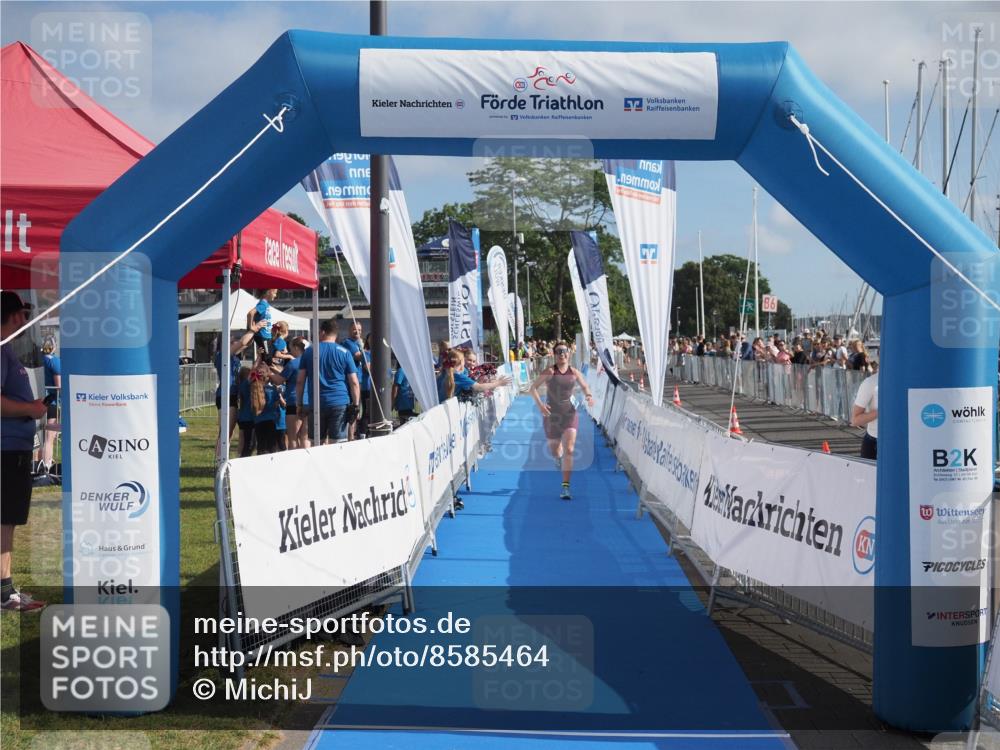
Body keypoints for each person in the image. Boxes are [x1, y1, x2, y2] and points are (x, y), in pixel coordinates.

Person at [1, 291, 48, 611]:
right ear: (15, 317)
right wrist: (30, 409)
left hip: (13, 449)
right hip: (6, 450)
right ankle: (4, 593)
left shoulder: (6, 351)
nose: (26, 320)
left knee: (7, 521)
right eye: (23, 315)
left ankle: (5, 589)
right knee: (5, 521)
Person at [529, 341, 594, 500]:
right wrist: (541, 406)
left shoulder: (574, 372)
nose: (562, 354)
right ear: (554, 354)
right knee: (555, 451)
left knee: (570, 450)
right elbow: (532, 388)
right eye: (559, 351)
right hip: (552, 416)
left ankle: (565, 487)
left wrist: (589, 395)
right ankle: (558, 459)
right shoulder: (550, 371)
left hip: (570, 415)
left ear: (569, 353)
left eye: (565, 351)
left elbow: (585, 386)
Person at [296, 318, 360, 445]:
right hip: (339, 401)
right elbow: (354, 382)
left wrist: (299, 404)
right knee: (337, 444)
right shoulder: (345, 352)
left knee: (316, 443)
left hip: (316, 403)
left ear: (322, 332)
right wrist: (356, 405)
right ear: (335, 334)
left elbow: (300, 381)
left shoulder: (310, 351)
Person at [215, 321, 262, 460]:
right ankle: (220, 461)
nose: (234, 340)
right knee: (225, 432)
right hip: (225, 395)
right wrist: (253, 330)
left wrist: (257, 335)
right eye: (231, 339)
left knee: (229, 432)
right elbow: (242, 342)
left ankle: (224, 459)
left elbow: (245, 344)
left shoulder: (232, 356)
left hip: (232, 394)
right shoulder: (222, 354)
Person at [437, 348, 511, 403]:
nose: (472, 363)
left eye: (474, 361)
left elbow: (470, 387)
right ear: (462, 361)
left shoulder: (446, 371)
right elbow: (478, 387)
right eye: (468, 360)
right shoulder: (457, 375)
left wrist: (490, 382)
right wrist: (498, 383)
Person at [38, 338, 61, 474]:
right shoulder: (54, 361)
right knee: (49, 437)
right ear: (53, 347)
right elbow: (59, 386)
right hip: (52, 401)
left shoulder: (39, 360)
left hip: (38, 400)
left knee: (40, 434)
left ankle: (40, 463)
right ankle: (46, 467)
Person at [282, 337, 308, 449]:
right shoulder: (310, 361)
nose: (289, 351)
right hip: (308, 401)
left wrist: (268, 373)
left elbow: (279, 379)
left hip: (294, 401)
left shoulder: (293, 363)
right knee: (305, 437)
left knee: (292, 437)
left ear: (296, 348)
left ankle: (294, 463)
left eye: (291, 348)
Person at [851, 364, 878, 459]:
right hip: (876, 443)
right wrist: (883, 411)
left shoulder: (909, 380)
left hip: (905, 440)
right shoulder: (871, 382)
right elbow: (855, 420)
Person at [247, 288, 278, 360]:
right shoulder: (263, 304)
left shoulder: (265, 304)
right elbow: (250, 313)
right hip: (263, 336)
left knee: (268, 358)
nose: (275, 295)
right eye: (274, 293)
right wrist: (251, 327)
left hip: (266, 336)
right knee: (267, 360)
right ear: (268, 292)